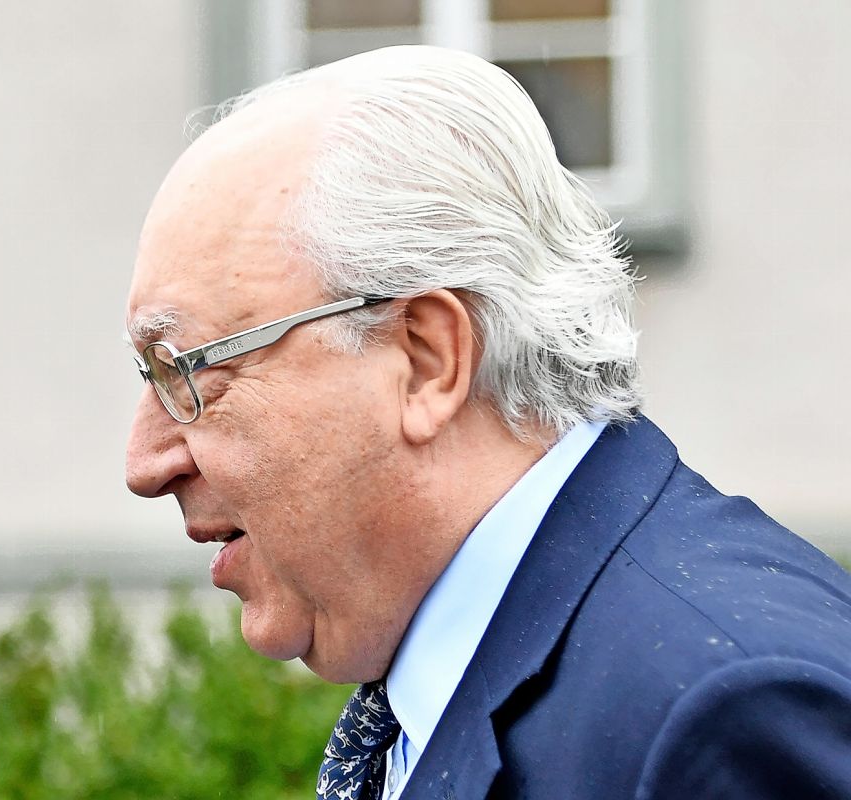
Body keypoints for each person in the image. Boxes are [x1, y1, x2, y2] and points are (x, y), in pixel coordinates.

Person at [123, 46, 851, 800]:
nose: (144, 463)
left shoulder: (721, 713)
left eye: (187, 371)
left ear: (427, 360)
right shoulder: (509, 670)